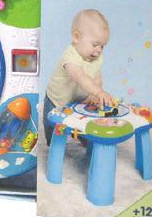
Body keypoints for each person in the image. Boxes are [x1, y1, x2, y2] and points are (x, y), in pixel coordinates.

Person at [43, 9, 114, 143]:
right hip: (57, 100)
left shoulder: (96, 58)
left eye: (102, 46)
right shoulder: (70, 57)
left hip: (79, 99)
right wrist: (98, 92)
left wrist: (94, 95)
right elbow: (80, 77)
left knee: (83, 121)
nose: (99, 50)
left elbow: (97, 77)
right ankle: (52, 142)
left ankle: (84, 137)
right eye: (95, 44)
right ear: (77, 37)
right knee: (53, 128)